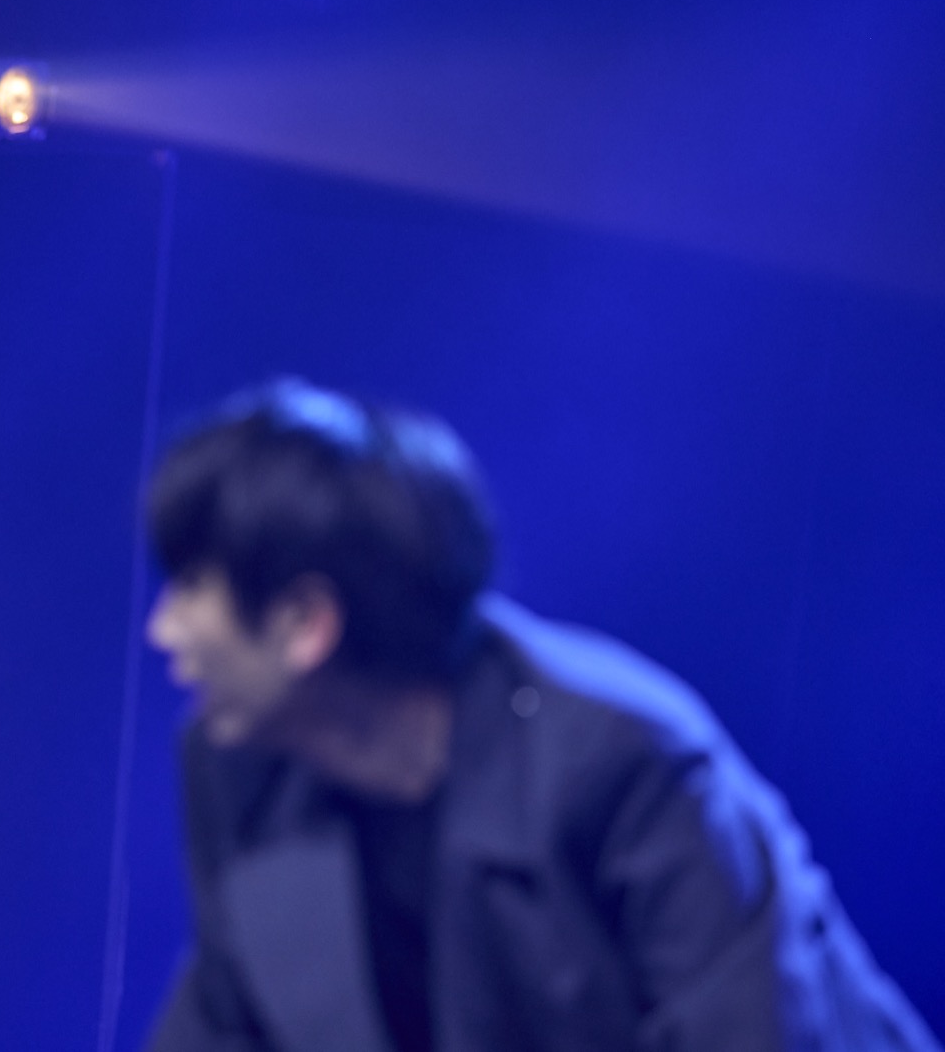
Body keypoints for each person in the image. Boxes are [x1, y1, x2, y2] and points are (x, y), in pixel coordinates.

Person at [141, 379, 939, 1052]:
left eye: (190, 589)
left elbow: (748, 1027)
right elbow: (222, 1024)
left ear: (305, 622)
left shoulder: (615, 756)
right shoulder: (241, 774)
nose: (164, 629)